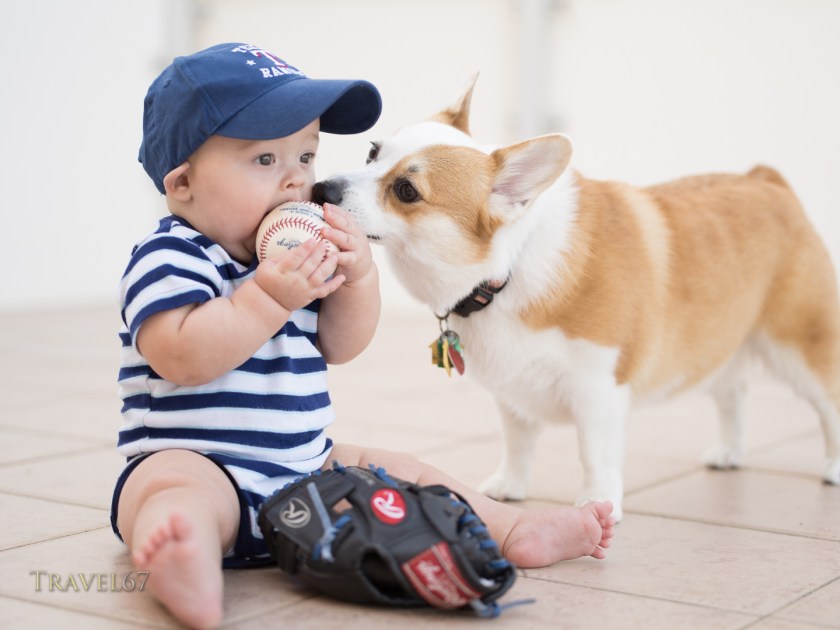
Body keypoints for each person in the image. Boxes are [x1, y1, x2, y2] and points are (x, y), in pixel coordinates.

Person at [112, 43, 615, 629]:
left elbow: (340, 346)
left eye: (306, 153)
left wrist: (358, 279)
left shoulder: (294, 257)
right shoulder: (172, 255)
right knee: (173, 492)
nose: (299, 178)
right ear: (182, 184)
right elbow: (180, 357)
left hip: (305, 472)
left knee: (400, 468)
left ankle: (507, 528)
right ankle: (183, 558)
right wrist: (268, 297)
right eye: (265, 161)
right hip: (197, 459)